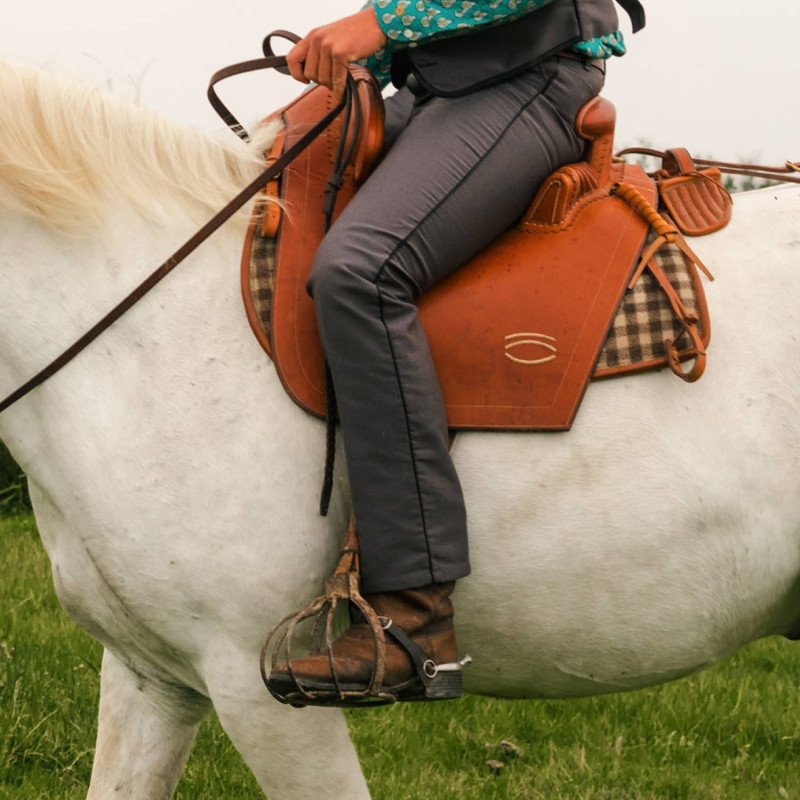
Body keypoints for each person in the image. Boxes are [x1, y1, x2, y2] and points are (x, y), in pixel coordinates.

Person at [267, 0, 644, 705]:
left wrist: (378, 24)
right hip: (440, 90)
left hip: (526, 79)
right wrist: (355, 58)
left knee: (360, 271)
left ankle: (414, 613)